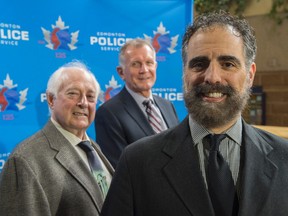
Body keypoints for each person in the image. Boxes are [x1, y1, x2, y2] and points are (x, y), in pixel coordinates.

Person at [101, 11, 288, 216]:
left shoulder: (284, 158)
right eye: (199, 64)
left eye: (228, 64)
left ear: (250, 75)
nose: (212, 77)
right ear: (185, 73)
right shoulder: (136, 162)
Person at [0, 61, 114, 216]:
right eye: (73, 94)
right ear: (51, 100)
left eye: (90, 96)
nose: (83, 103)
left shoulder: (93, 149)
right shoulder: (24, 160)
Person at [95, 38, 179, 168]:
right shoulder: (108, 113)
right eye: (136, 64)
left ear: (155, 66)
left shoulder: (167, 106)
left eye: (149, 63)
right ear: (121, 72)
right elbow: (120, 169)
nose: (144, 70)